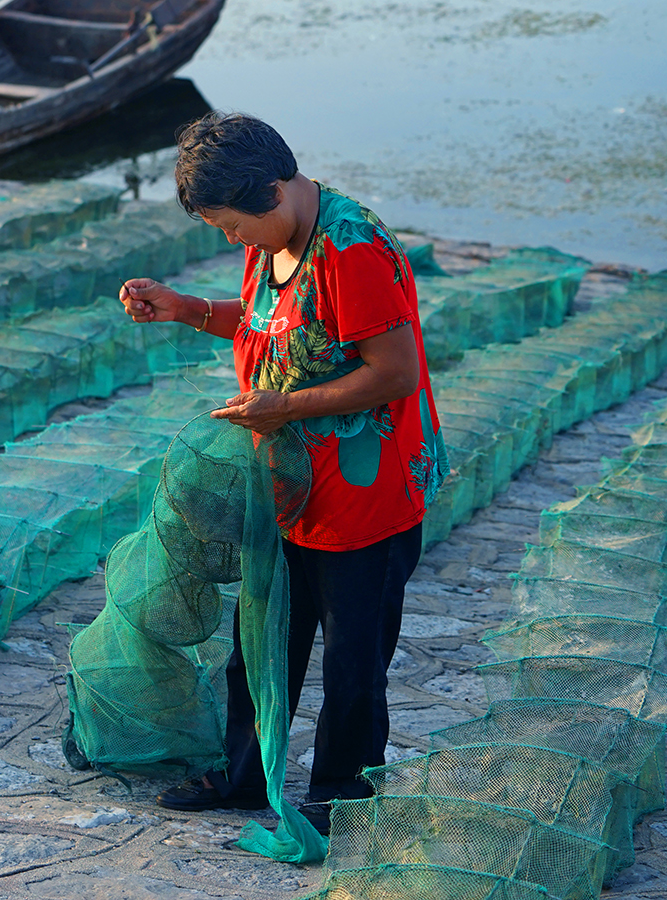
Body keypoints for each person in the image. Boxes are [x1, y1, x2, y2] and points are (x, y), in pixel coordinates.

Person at [119, 113, 448, 833]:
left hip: (366, 494)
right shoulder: (274, 232)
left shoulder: (350, 248)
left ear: (273, 190)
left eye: (233, 226)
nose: (231, 240)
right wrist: (186, 309)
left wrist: (285, 405)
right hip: (290, 483)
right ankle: (246, 773)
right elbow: (273, 321)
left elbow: (394, 372)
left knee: (353, 663)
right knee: (260, 635)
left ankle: (340, 796)